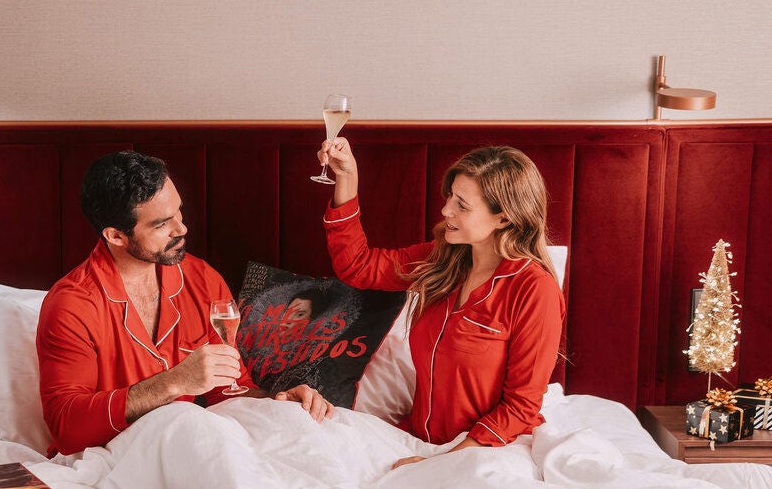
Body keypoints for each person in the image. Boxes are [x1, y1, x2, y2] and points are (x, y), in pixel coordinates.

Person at [37, 150, 334, 456]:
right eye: (162, 224)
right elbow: (66, 426)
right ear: (116, 236)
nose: (182, 229)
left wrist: (280, 403)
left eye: (178, 212)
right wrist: (173, 383)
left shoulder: (202, 279)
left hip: (185, 449)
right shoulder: (72, 304)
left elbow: (228, 390)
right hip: (108, 458)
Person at [318, 138, 565, 470]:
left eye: (462, 205)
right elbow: (358, 266)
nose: (446, 209)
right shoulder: (444, 259)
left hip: (489, 449)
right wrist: (347, 178)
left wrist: (441, 463)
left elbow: (521, 405)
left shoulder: (534, 289)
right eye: (450, 196)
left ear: (503, 218)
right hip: (419, 441)